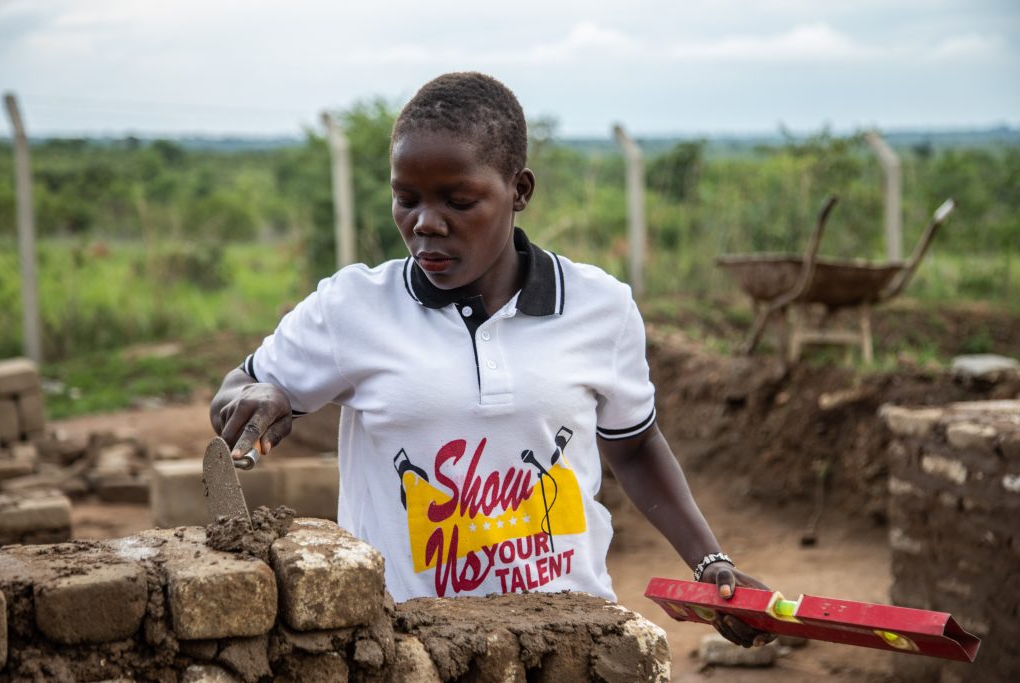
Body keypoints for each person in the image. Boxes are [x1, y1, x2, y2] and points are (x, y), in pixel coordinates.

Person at [211, 72, 773, 648]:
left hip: (570, 641)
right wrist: (257, 395)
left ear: (520, 190)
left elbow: (633, 445)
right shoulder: (353, 309)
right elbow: (236, 391)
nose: (425, 222)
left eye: (458, 201)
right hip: (415, 650)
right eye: (406, 199)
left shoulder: (600, 308)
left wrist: (709, 562)